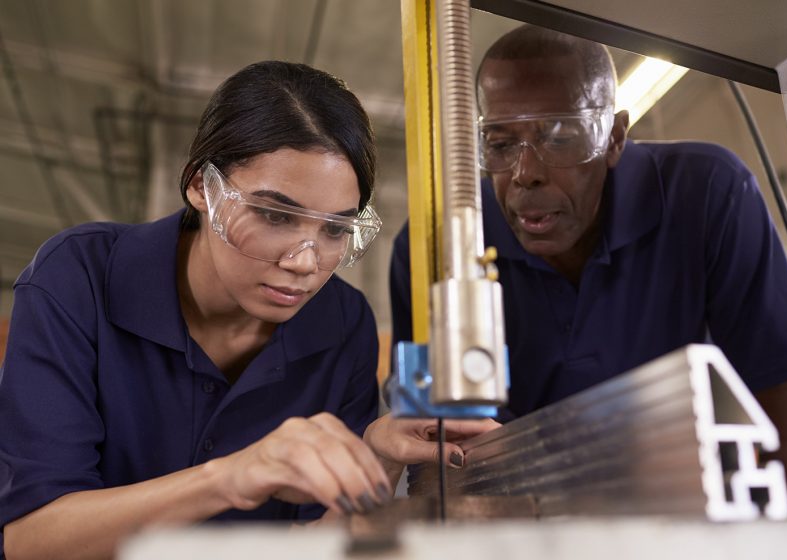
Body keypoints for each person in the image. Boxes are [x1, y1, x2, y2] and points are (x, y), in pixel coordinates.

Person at [0, 60, 496, 560]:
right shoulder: (80, 278)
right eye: (275, 214)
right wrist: (234, 476)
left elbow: (314, 544)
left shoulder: (344, 325)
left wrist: (379, 458)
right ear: (200, 185)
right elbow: (31, 539)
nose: (304, 263)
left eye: (334, 229)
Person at [390, 25, 787, 510]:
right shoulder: (436, 246)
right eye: (501, 143)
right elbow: (430, 451)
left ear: (614, 136)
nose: (525, 173)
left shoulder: (708, 196)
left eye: (559, 137)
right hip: (524, 524)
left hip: (687, 509)